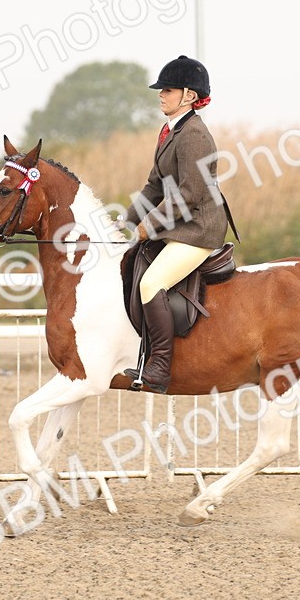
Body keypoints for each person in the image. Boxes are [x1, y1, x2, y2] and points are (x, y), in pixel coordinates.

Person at [121, 55, 229, 393]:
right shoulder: (171, 131)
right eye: (161, 90)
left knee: (151, 283)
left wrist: (147, 227)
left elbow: (189, 194)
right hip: (180, 226)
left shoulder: (194, 134)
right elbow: (155, 185)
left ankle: (160, 368)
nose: (160, 95)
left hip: (198, 230)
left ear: (189, 95)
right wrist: (125, 221)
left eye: (167, 90)